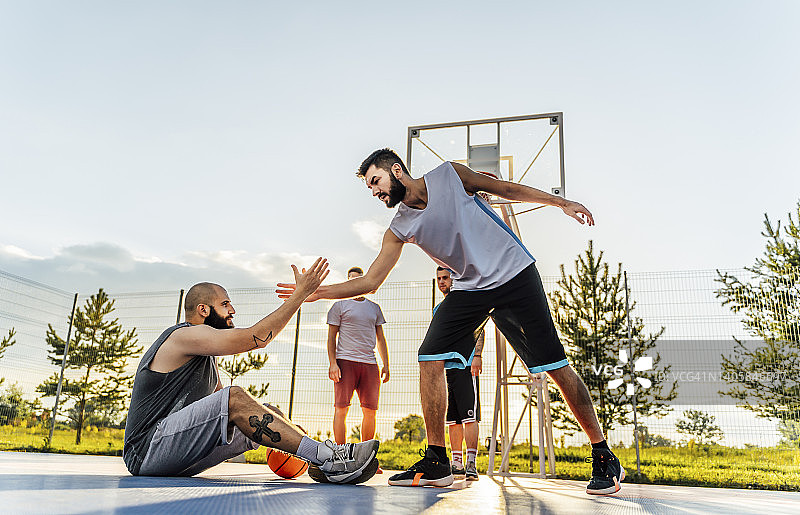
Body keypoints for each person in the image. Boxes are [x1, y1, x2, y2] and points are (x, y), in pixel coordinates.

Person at [277, 149, 624, 494]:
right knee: (429, 356)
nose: (374, 191)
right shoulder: (399, 226)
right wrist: (319, 292)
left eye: (375, 181)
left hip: (514, 273)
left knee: (554, 364)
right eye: (370, 187)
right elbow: (370, 281)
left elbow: (505, 188)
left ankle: (603, 454)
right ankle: (438, 459)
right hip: (470, 288)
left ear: (397, 170)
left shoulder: (449, 176)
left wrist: (559, 203)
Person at [122, 258, 380, 484]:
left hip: (174, 453)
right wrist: (299, 295)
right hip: (146, 452)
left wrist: (291, 434)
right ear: (203, 309)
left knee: (272, 414)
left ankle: (319, 463)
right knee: (234, 398)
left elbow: (221, 412)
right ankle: (329, 456)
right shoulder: (182, 336)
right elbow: (256, 338)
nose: (232, 310)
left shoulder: (205, 359)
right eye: (225, 304)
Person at [327, 267, 390, 454]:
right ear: (347, 283)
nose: (354, 283)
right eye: (351, 280)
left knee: (370, 412)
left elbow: (380, 338)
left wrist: (386, 363)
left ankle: (366, 456)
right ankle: (340, 454)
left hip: (370, 364)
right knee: (341, 409)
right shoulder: (339, 306)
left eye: (358, 280)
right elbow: (331, 337)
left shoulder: (374, 308)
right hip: (345, 362)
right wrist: (333, 363)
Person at [435, 266, 482, 481]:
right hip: (447, 369)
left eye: (445, 277)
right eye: (439, 278)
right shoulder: (439, 309)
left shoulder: (466, 301)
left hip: (466, 365)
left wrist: (477, 355)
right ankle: (457, 463)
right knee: (452, 420)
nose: (442, 281)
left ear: (454, 279)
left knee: (469, 418)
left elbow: (479, 328)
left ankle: (471, 463)